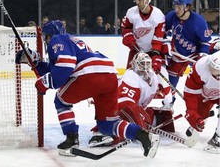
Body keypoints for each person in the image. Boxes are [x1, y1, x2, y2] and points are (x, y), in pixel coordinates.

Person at [15, 20, 160, 158]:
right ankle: (142, 135)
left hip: (90, 75)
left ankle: (72, 139)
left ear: (48, 35)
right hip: (109, 75)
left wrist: (44, 83)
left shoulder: (57, 39)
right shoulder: (73, 42)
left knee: (61, 100)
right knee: (106, 124)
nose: (46, 42)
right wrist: (35, 62)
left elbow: (64, 68)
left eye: (45, 38)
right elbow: (57, 69)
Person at [89, 52, 175, 147]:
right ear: (134, 65)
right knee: (133, 113)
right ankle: (105, 133)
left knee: (157, 114)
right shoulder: (131, 77)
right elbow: (126, 105)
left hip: (134, 106)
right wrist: (140, 124)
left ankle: (141, 125)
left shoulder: (154, 76)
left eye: (147, 64)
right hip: (115, 107)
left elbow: (164, 90)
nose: (145, 67)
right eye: (142, 64)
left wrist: (168, 104)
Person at [121, 0, 173, 107]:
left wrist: (155, 55)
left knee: (161, 73)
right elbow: (126, 29)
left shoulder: (158, 15)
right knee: (131, 75)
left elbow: (158, 37)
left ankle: (168, 103)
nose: (137, 2)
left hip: (152, 50)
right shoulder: (131, 13)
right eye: (136, 0)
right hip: (136, 51)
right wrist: (129, 39)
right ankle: (131, 103)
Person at [165, 0, 212, 103]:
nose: (176, 10)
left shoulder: (198, 21)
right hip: (177, 52)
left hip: (195, 54)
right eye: (175, 6)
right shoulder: (172, 16)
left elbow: (205, 42)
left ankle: (207, 99)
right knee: (171, 76)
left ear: (188, 7)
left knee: (202, 76)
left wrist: (202, 56)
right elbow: (160, 30)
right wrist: (164, 42)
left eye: (179, 7)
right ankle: (169, 100)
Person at [183, 51, 220, 153]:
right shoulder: (201, 66)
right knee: (199, 115)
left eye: (216, 70)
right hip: (205, 94)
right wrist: (192, 111)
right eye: (212, 67)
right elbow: (190, 92)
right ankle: (202, 116)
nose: (212, 70)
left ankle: (218, 139)